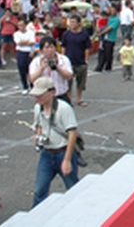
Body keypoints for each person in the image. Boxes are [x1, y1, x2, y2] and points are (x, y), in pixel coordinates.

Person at [29, 77, 80, 208]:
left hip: (63, 152)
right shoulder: (37, 108)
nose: (37, 97)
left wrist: (67, 160)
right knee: (39, 190)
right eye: (36, 94)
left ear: (52, 92)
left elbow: (72, 133)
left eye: (40, 94)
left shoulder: (64, 108)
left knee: (73, 189)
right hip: (47, 153)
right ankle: (37, 218)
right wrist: (38, 136)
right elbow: (38, 125)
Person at [29, 36, 74, 105]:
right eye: (47, 48)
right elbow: (32, 79)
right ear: (41, 49)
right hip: (44, 96)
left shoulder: (63, 59)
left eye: (52, 47)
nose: (50, 50)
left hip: (61, 94)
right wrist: (42, 68)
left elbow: (69, 76)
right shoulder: (36, 62)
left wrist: (57, 68)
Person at [60, 15, 92, 106]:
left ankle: (79, 99)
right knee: (68, 82)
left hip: (80, 61)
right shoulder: (66, 34)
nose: (72, 24)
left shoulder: (84, 34)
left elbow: (87, 48)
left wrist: (86, 60)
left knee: (81, 82)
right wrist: (62, 59)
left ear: (79, 23)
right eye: (71, 22)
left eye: (74, 22)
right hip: (68, 62)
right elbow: (63, 46)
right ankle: (69, 99)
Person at [14, 16, 36, 94]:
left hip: (29, 52)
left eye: (22, 25)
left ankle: (32, 85)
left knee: (31, 70)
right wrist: (26, 42)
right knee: (22, 70)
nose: (21, 27)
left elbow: (32, 42)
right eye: (19, 25)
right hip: (21, 52)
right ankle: (25, 86)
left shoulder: (31, 33)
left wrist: (23, 42)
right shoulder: (16, 34)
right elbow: (18, 42)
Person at [95, 7, 120, 73]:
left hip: (110, 38)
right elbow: (101, 22)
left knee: (108, 53)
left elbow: (110, 27)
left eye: (113, 10)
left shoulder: (116, 19)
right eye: (111, 10)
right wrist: (98, 29)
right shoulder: (109, 17)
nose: (111, 11)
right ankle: (99, 67)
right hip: (104, 37)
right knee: (101, 52)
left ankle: (108, 67)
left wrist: (102, 32)